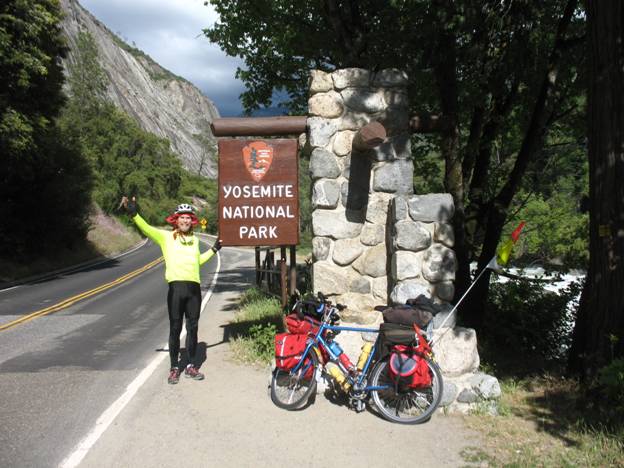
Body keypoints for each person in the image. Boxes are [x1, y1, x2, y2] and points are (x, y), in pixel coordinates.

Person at [121, 196, 221, 384]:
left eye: (188, 217)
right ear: (176, 220)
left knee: (193, 328)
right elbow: (147, 228)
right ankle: (175, 367)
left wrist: (214, 250)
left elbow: (197, 261)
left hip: (193, 289)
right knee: (175, 328)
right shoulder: (166, 237)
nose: (185, 220)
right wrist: (134, 213)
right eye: (182, 217)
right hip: (176, 289)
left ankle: (191, 366)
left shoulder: (194, 240)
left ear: (192, 221)